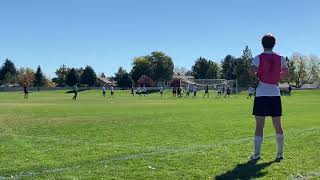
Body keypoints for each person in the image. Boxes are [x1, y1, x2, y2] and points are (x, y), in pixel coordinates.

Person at [250, 34, 288, 162]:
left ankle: (256, 154)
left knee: (259, 125)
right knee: (278, 125)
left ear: (262, 44)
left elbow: (251, 71)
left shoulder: (258, 58)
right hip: (275, 94)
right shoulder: (281, 58)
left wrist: (258, 75)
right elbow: (286, 72)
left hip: (261, 94)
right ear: (274, 44)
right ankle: (280, 154)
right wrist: (277, 76)